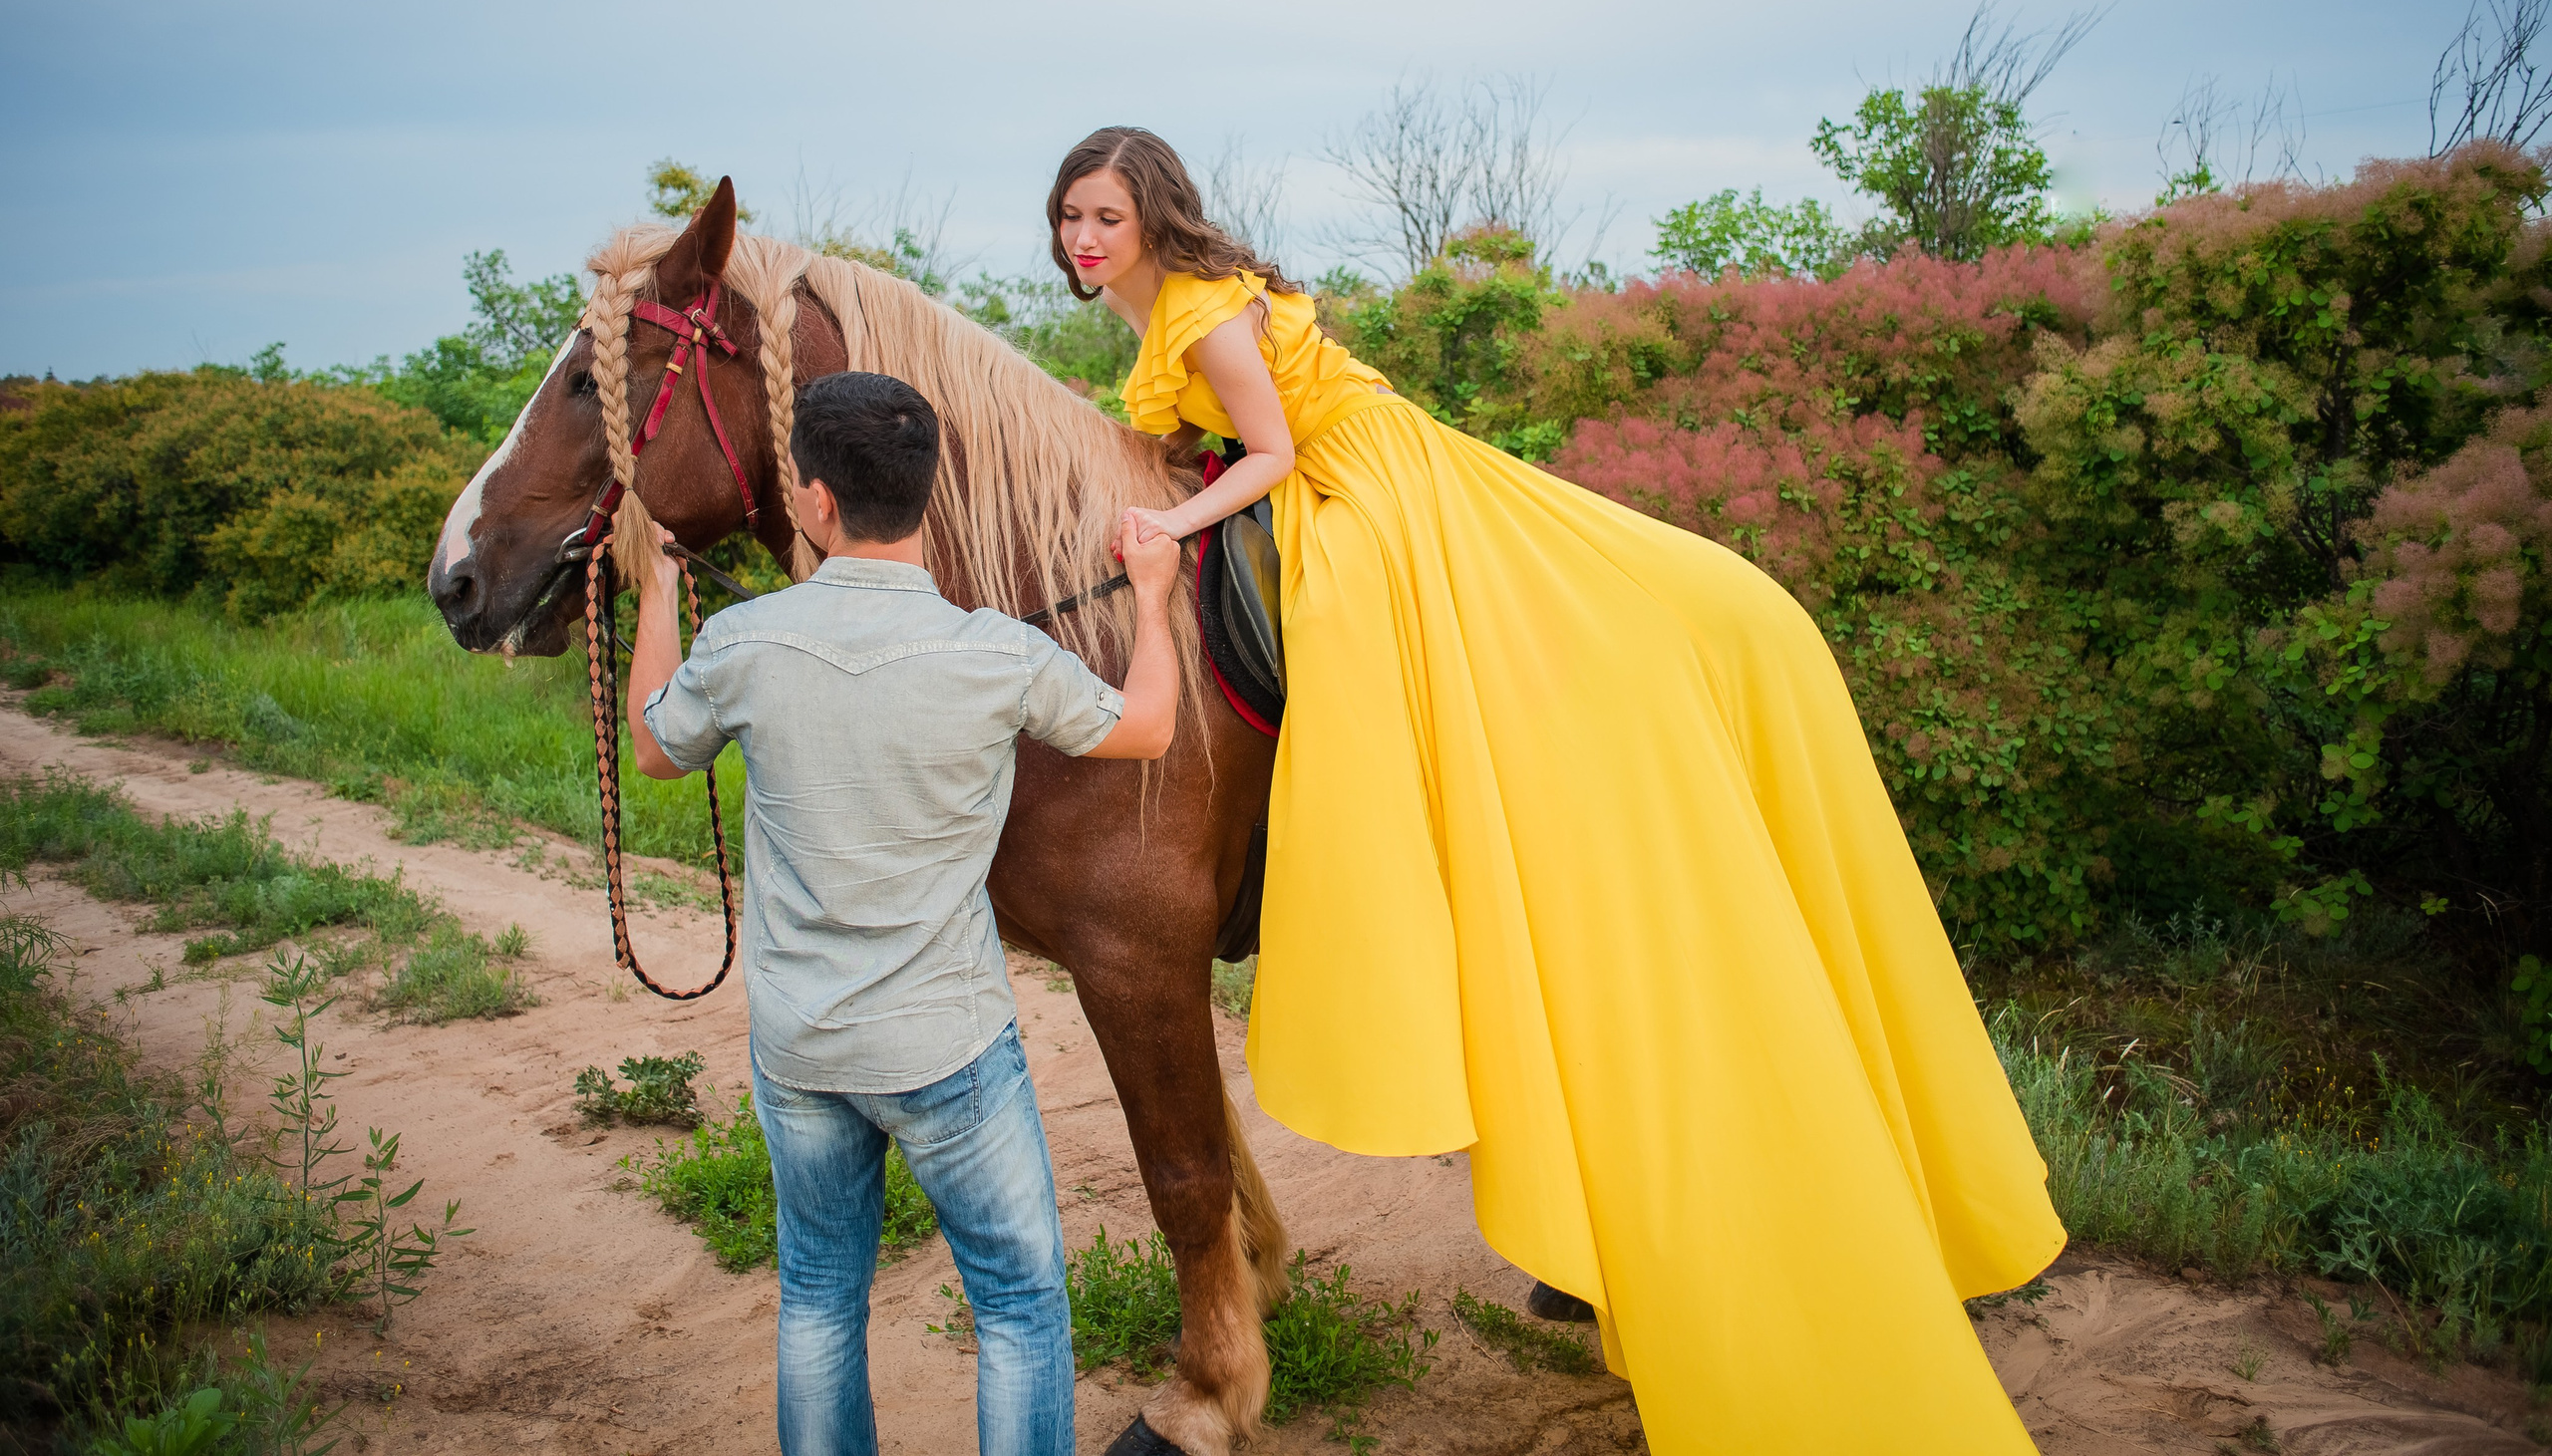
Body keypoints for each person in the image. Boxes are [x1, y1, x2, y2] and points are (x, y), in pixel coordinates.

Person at [1055, 128, 2066, 1454]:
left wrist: (1168, 533)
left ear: (1154, 218)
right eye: (1072, 216)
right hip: (1342, 465)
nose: (1086, 239)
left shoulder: (1193, 308)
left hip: (1362, 483)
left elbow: (1274, 452)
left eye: (1108, 216)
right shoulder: (1150, 307)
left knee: (1356, 648)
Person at [630, 370, 1186, 1456]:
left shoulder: (744, 644)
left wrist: (656, 590)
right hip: (949, 1047)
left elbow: (653, 744)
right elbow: (1151, 727)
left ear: (815, 501)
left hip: (802, 1046)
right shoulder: (998, 654)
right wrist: (1154, 595)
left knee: (819, 1295)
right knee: (1020, 1306)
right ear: (924, 495)